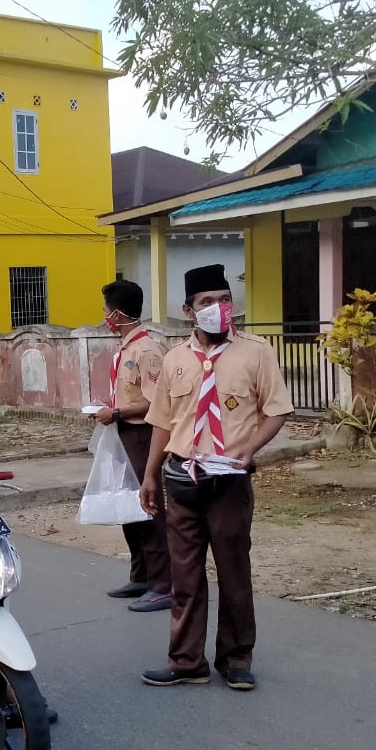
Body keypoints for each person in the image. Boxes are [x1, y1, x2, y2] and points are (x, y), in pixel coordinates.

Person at [138, 265, 293, 692]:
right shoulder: (174, 360)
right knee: (184, 577)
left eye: (225, 300)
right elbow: (163, 423)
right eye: (207, 302)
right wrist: (150, 477)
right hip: (182, 481)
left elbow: (277, 409)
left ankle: (236, 658)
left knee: (234, 573)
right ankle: (186, 660)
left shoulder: (256, 352)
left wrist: (250, 448)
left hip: (229, 483)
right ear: (188, 310)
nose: (218, 309)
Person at [90, 280, 172, 612]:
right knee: (127, 505)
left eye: (107, 312)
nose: (105, 318)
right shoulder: (127, 347)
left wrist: (118, 411)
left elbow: (158, 401)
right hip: (123, 432)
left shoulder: (147, 350)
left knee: (147, 506)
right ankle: (141, 575)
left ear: (118, 314)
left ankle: (165, 584)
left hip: (142, 435)